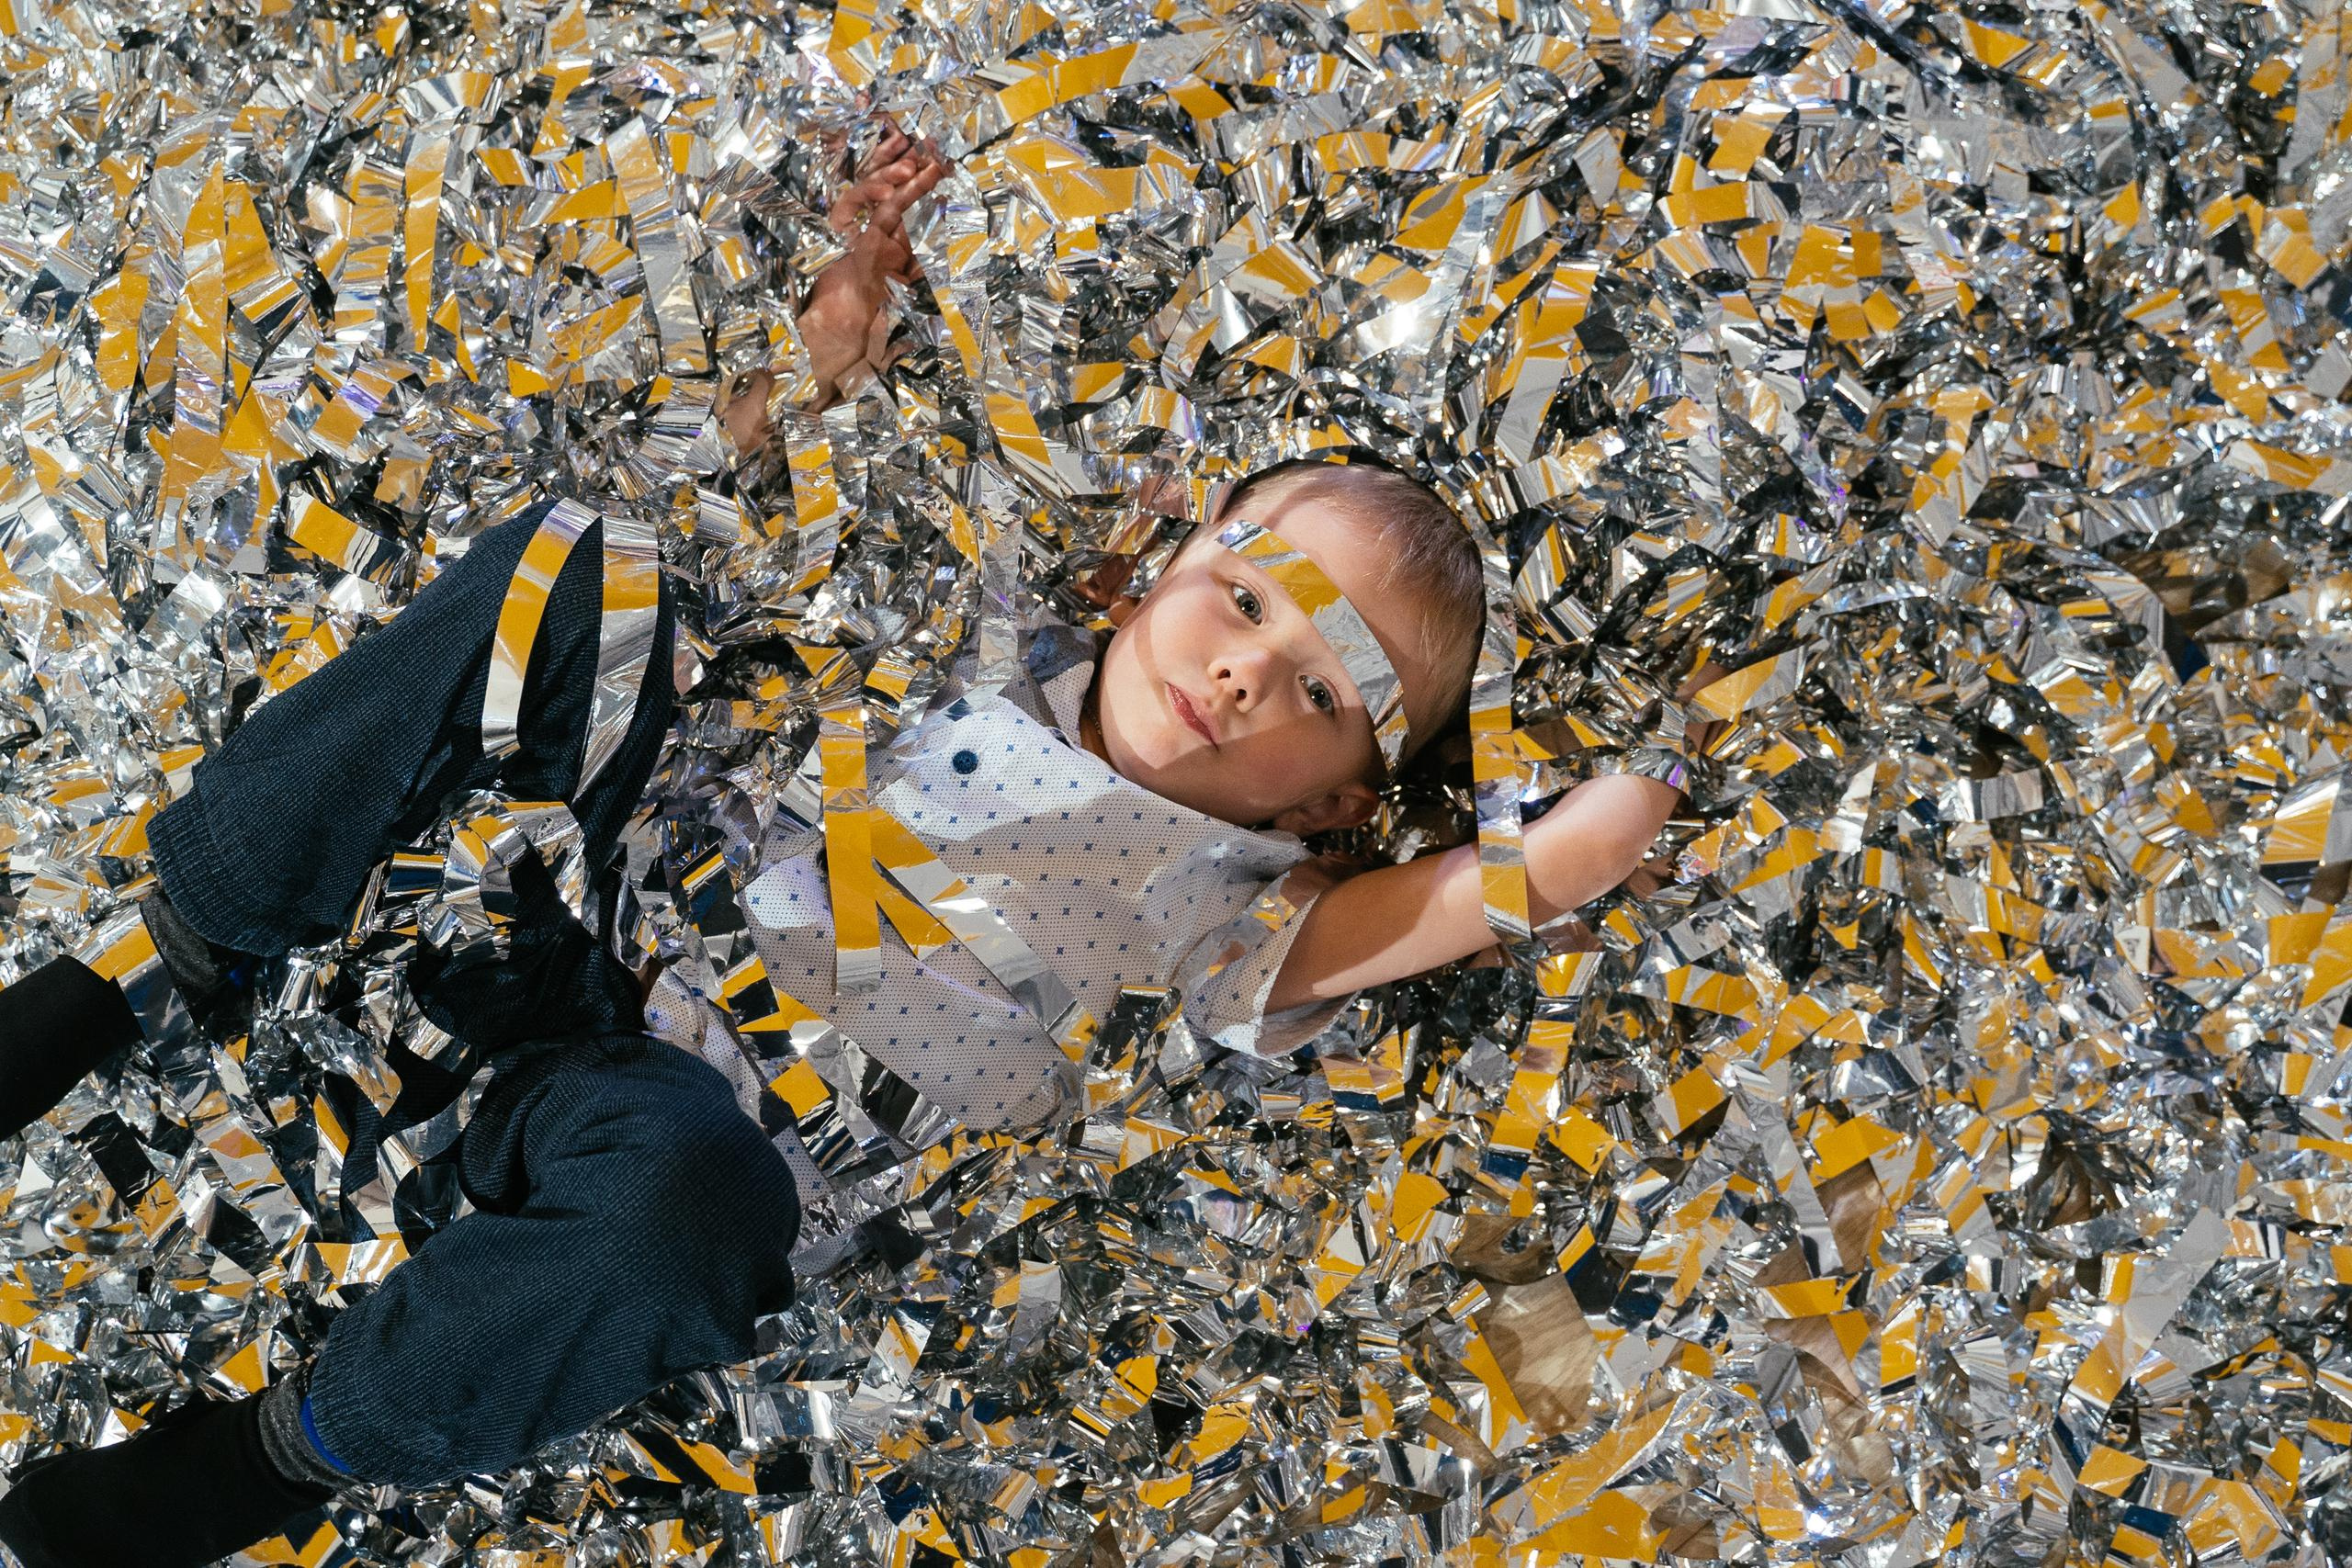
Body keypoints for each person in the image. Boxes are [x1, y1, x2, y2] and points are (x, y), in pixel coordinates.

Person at [0, 130, 1713, 1567]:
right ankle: (143, 964)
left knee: (683, 1215)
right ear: (1160, 569)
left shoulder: (1238, 913)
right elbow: (737, 503)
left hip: (680, 1128)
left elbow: (1484, 896)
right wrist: (834, 338)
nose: (1249, 664)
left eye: (1325, 691)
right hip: (562, 911)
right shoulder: (979, 627)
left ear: (1333, 803)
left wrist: (1612, 819)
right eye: (1249, 597)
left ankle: (272, 1460)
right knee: (581, 559)